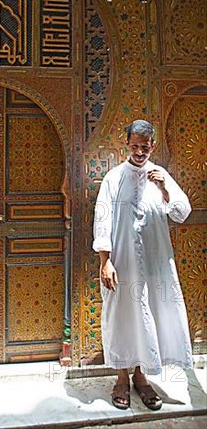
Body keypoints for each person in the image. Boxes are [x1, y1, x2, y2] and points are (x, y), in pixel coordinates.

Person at [92, 120, 193, 410]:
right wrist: (105, 261)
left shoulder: (161, 175)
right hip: (121, 263)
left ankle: (142, 377)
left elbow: (182, 213)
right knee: (122, 315)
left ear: (153, 146)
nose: (139, 151)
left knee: (151, 315)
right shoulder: (114, 178)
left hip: (154, 263)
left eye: (144, 147)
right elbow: (103, 220)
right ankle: (121, 378)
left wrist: (164, 188)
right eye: (135, 146)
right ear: (127, 145)